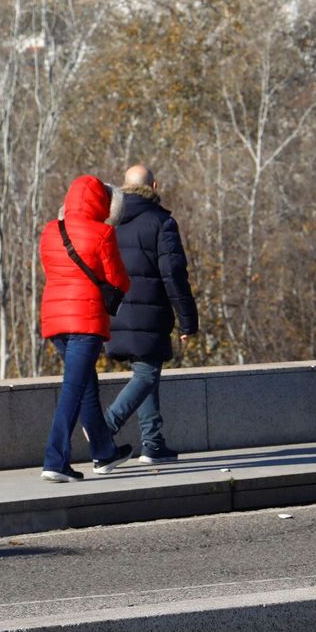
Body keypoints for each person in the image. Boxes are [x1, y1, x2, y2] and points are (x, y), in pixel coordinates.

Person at [39, 175, 134, 482]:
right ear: (100, 202)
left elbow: (52, 270)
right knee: (74, 388)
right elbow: (119, 280)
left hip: (54, 320)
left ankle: (104, 452)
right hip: (86, 321)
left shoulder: (51, 230)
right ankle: (55, 460)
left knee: (85, 385)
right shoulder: (102, 233)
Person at [104, 164, 199, 464]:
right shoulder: (162, 223)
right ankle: (104, 427)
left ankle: (153, 443)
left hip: (116, 312)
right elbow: (174, 275)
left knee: (145, 372)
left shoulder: (110, 222)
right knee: (146, 373)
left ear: (123, 187)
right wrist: (187, 319)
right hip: (150, 312)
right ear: (154, 187)